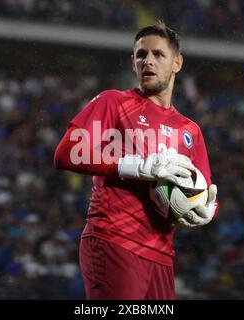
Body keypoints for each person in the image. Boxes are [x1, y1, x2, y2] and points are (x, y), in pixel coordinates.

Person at [54, 21, 219, 300]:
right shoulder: (114, 103)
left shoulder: (190, 131)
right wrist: (135, 166)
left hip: (162, 255)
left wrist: (206, 209)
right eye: (141, 55)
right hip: (114, 240)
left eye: (158, 54)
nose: (148, 61)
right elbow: (67, 152)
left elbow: (205, 190)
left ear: (177, 63)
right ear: (133, 63)